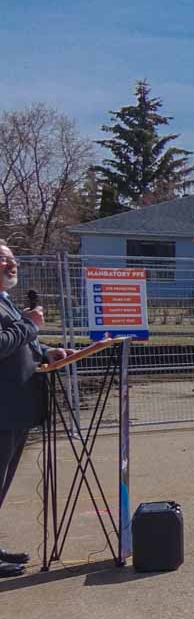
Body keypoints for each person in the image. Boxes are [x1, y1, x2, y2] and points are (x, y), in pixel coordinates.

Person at [0, 243, 49, 577]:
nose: (11, 264)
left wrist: (48, 351)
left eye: (13, 258)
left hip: (16, 408)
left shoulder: (5, 301)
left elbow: (21, 343)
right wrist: (30, 324)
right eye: (4, 259)